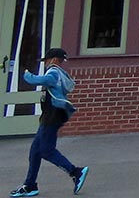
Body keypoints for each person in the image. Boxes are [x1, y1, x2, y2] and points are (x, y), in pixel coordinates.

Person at [9, 48, 88, 198]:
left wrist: (26, 74)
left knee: (46, 150)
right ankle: (30, 185)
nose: (44, 63)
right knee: (35, 152)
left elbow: (37, 80)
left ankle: (76, 172)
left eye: (46, 60)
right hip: (49, 116)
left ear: (53, 59)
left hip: (51, 117)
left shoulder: (53, 72)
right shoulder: (58, 73)